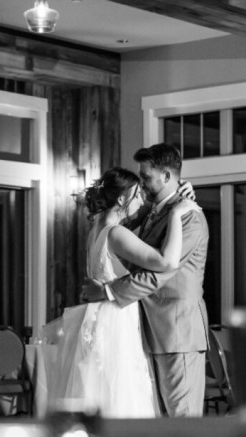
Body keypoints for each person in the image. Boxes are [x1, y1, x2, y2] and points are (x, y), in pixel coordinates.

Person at [54, 167, 199, 417]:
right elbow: (166, 262)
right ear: (122, 199)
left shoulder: (97, 229)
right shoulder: (116, 233)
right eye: (137, 194)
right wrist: (176, 214)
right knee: (122, 394)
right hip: (116, 323)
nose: (142, 199)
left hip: (100, 317)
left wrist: (178, 190)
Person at [86, 144, 211, 417]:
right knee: (160, 420)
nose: (141, 184)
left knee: (183, 420)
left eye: (146, 177)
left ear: (166, 176)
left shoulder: (189, 217)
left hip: (177, 333)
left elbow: (160, 273)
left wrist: (108, 291)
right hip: (149, 331)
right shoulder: (153, 213)